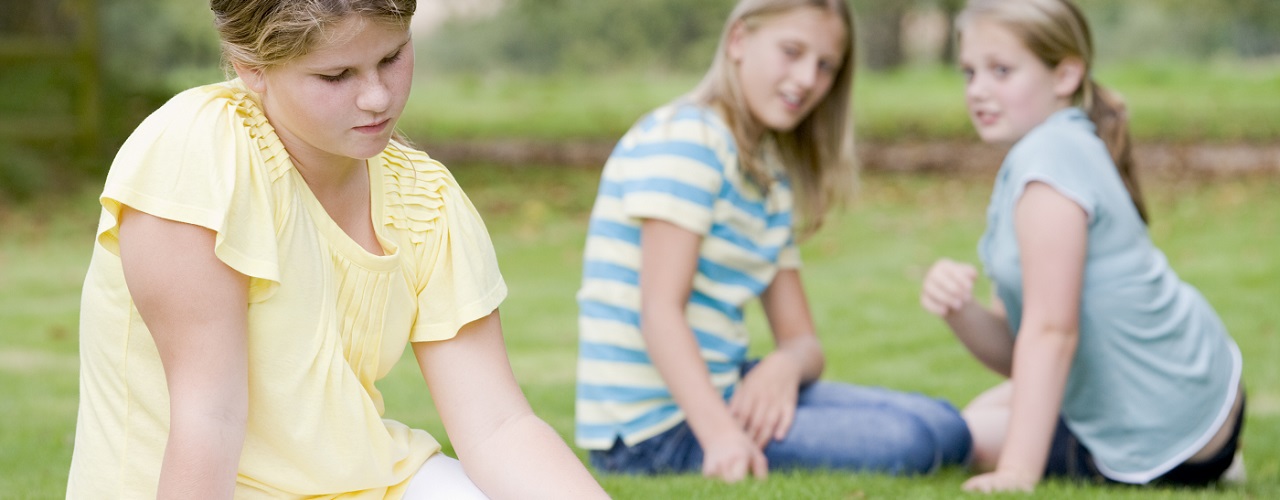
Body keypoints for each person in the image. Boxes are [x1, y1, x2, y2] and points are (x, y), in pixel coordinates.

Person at [65, 1, 608, 498]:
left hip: (372, 480)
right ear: (252, 68)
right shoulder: (198, 154)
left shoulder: (426, 196)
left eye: (392, 57)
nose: (377, 96)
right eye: (336, 74)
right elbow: (209, 417)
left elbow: (498, 426)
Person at [573, 0, 972, 484]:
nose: (807, 79)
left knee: (945, 425)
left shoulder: (766, 172)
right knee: (910, 443)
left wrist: (782, 366)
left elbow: (804, 342)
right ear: (738, 40)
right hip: (653, 433)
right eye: (791, 51)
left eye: (825, 66)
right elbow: (659, 311)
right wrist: (721, 436)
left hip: (723, 390)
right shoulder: (687, 140)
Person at [920, 0, 1246, 493]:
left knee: (967, 435)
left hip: (1165, 430)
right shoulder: (1053, 149)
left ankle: (1202, 460)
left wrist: (1015, 473)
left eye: (1001, 71)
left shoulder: (1049, 162)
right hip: (1206, 393)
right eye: (969, 72)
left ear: (1065, 75)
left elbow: (1051, 333)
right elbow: (1020, 347)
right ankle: (1219, 457)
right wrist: (958, 309)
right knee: (984, 410)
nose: (978, 90)